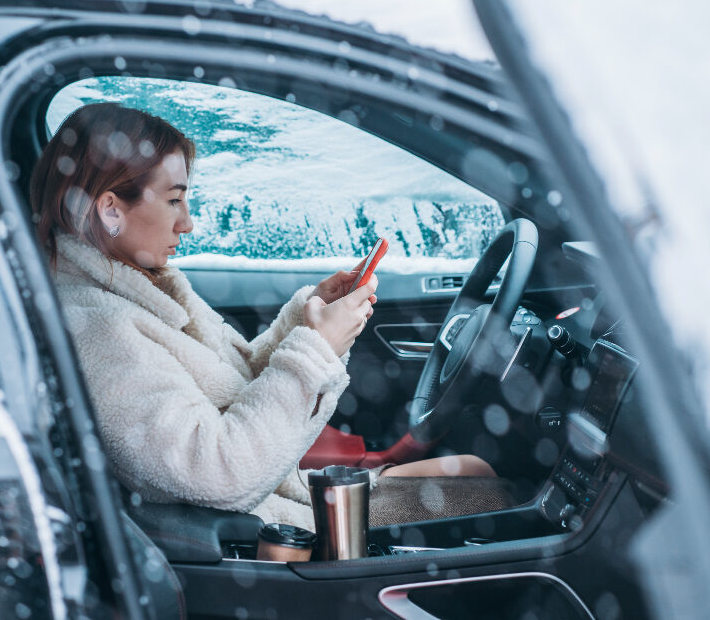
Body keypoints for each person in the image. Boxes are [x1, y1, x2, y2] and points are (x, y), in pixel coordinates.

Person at [30, 102, 506, 530]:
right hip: (278, 532)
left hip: (285, 496)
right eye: (174, 199)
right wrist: (314, 351)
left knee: (475, 471)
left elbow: (233, 385)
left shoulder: (141, 284)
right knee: (504, 501)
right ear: (111, 209)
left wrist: (306, 322)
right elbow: (219, 475)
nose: (188, 222)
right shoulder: (99, 331)